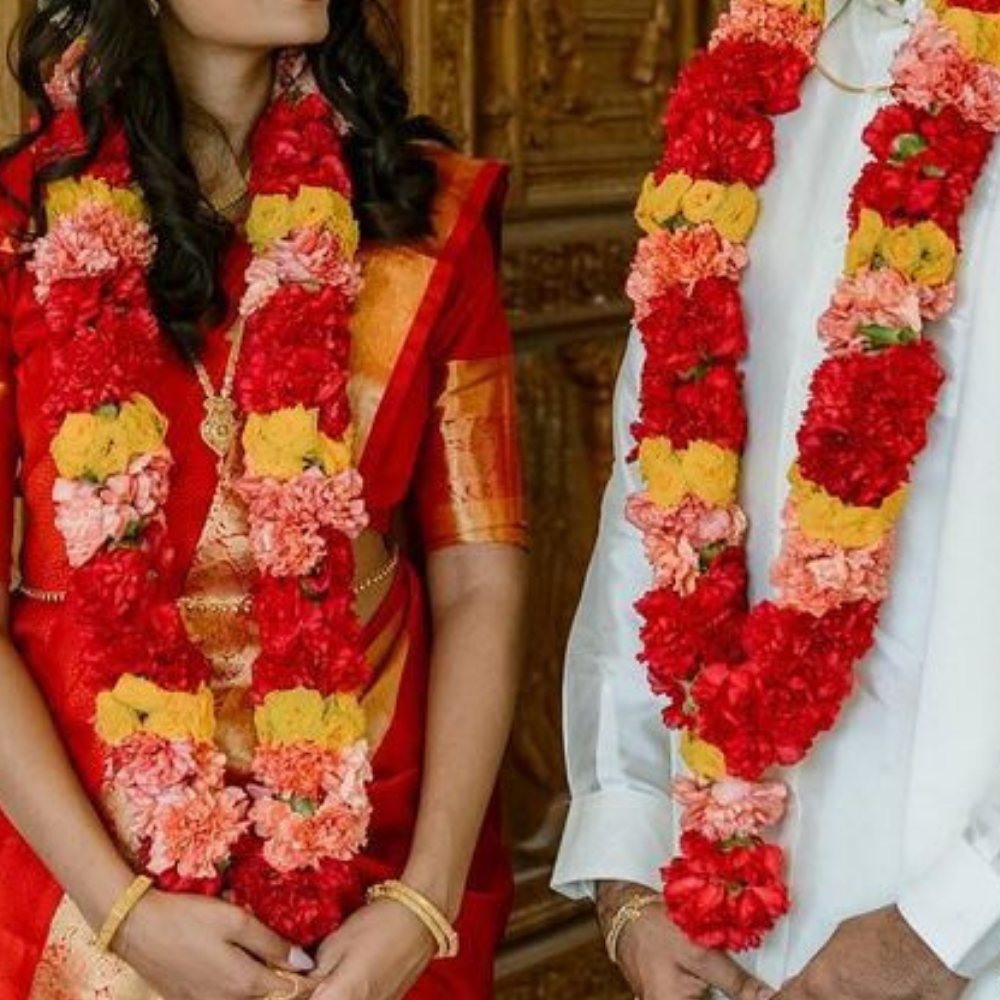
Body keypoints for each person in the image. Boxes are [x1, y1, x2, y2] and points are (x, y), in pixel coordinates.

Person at [0, 1, 528, 998]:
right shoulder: (16, 228)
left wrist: (426, 898)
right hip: (80, 863)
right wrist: (122, 912)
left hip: (376, 857)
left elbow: (478, 576)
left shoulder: (420, 217)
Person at [554, 1, 1000, 999]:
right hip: (728, 920)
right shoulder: (758, 77)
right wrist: (629, 869)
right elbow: (653, 498)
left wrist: (941, 927)